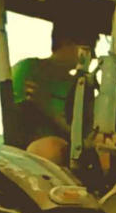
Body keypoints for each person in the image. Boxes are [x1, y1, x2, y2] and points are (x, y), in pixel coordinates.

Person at [13, 20, 99, 163]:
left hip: (62, 166)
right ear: (66, 42)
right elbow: (14, 126)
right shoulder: (28, 69)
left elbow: (83, 140)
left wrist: (47, 107)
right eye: (89, 49)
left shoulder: (83, 86)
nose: (93, 57)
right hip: (23, 161)